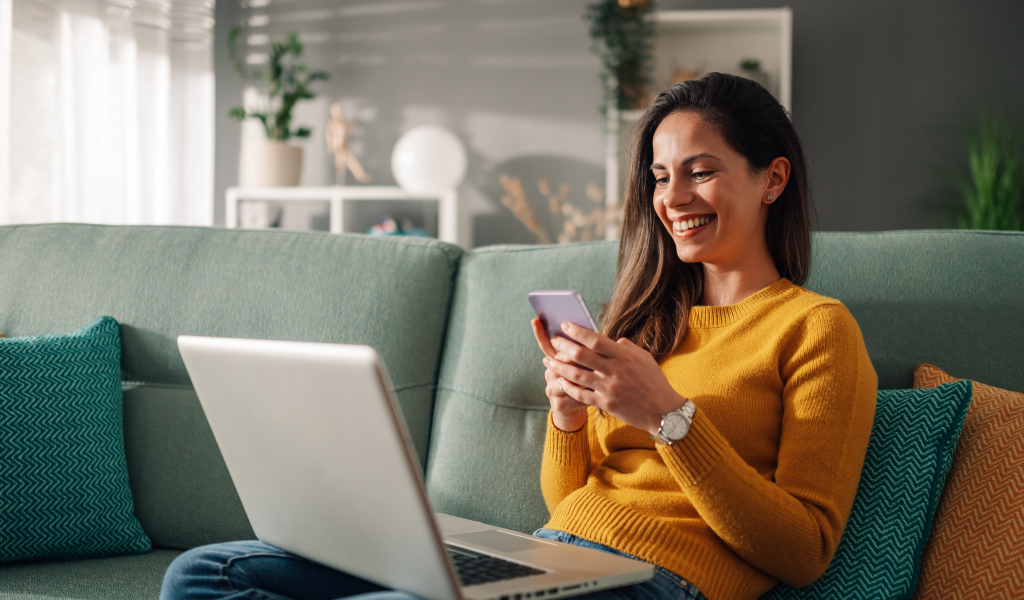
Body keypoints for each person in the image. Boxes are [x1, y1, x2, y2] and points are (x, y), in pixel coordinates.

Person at [160, 73, 877, 600]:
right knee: (203, 574)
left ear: (772, 178)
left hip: (661, 584)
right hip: (557, 557)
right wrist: (567, 419)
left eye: (701, 172)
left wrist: (670, 417)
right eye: (660, 177)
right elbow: (565, 505)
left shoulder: (815, 330)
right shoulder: (642, 325)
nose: (673, 198)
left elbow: (804, 549)